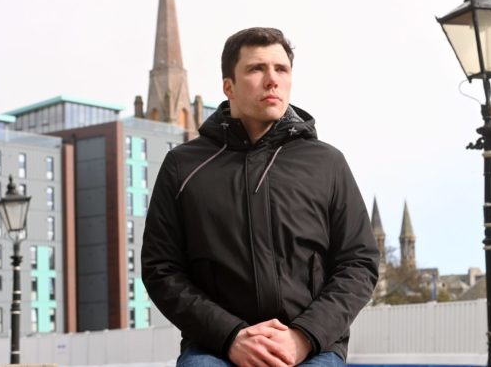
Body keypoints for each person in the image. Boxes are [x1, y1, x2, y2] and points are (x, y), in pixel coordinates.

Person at [142, 27, 379, 367]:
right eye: (256, 69)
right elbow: (160, 268)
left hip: (312, 347)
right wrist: (231, 336)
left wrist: (303, 336)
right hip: (215, 348)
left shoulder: (327, 163)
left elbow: (359, 263)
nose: (272, 80)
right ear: (229, 87)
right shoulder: (183, 166)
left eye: (281, 69)